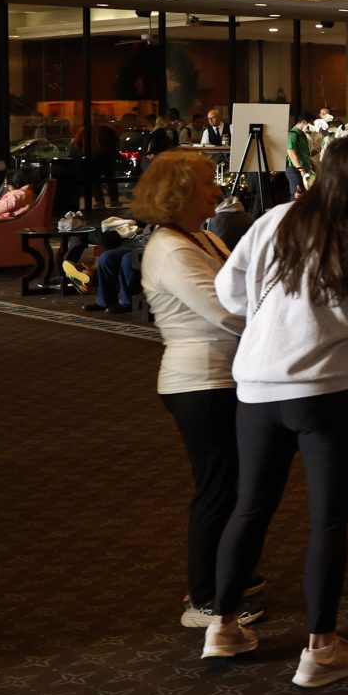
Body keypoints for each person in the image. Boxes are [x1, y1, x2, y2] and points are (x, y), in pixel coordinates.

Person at [201, 135, 348, 687]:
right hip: (331, 394)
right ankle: (320, 648)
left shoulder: (275, 221)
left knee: (250, 508)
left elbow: (230, 293)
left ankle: (221, 626)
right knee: (328, 519)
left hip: (256, 388)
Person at [128, 150, 261, 629]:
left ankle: (226, 574)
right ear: (179, 192)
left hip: (223, 376)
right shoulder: (171, 248)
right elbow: (228, 312)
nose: (218, 189)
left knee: (235, 484)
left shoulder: (200, 236)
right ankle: (205, 599)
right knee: (218, 488)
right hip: (199, 380)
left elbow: (244, 291)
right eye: (208, 182)